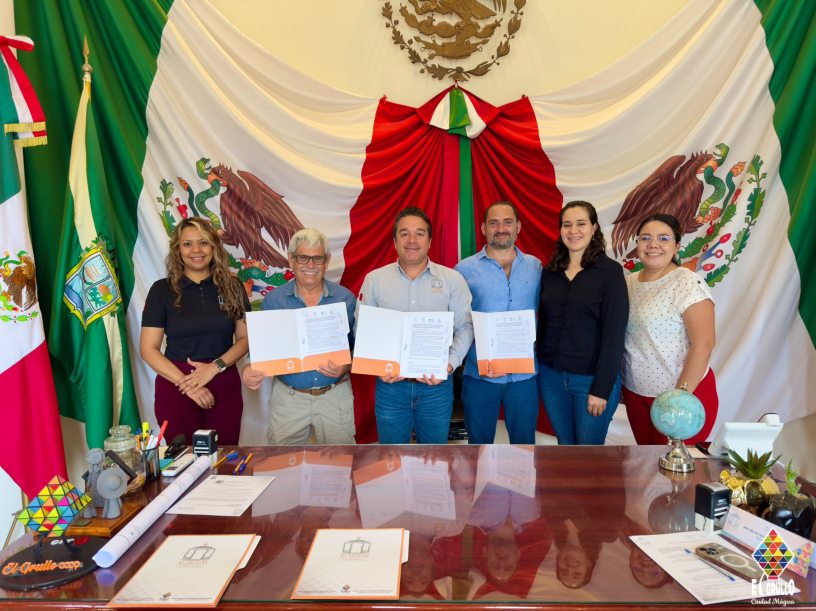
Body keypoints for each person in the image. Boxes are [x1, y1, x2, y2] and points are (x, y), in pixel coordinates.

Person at [357, 207, 473, 444]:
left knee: (434, 459)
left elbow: (465, 327)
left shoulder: (452, 280)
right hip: (391, 388)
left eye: (420, 233)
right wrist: (377, 366)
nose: (412, 240)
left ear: (429, 241)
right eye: (404, 233)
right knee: (391, 458)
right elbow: (363, 328)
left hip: (436, 388)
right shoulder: (375, 280)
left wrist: (449, 365)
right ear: (394, 241)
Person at [242, 228, 357, 445]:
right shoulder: (274, 301)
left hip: (335, 397)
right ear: (291, 260)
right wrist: (248, 368)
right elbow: (259, 349)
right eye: (303, 258)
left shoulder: (345, 299)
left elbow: (358, 348)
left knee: (340, 462)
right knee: (282, 462)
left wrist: (345, 365)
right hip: (289, 399)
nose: (310, 265)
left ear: (327, 261)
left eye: (317, 258)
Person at [140, 217, 249, 445]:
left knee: (224, 457)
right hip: (176, 383)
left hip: (223, 379)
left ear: (214, 247)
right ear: (177, 249)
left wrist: (214, 368)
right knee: (182, 460)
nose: (196, 250)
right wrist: (187, 384)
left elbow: (245, 338)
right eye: (187, 244)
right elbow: (148, 349)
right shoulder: (161, 290)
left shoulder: (234, 287)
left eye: (203, 242)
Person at [537, 201, 628, 445]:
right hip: (551, 377)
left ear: (594, 228)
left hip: (591, 380)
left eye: (581, 224)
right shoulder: (550, 272)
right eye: (567, 225)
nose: (573, 230)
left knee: (589, 453)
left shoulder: (610, 272)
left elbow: (614, 335)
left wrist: (601, 388)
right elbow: (543, 325)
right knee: (566, 448)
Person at [622, 213, 717, 445]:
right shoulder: (628, 282)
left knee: (678, 465)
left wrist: (679, 397)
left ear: (676, 247)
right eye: (646, 238)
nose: (653, 244)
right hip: (636, 395)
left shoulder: (687, 282)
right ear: (637, 244)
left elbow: (704, 344)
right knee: (649, 463)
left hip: (682, 397)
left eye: (663, 238)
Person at [455, 201, 542, 444]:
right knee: (479, 448)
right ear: (484, 228)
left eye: (507, 222)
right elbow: (459, 323)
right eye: (493, 223)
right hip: (480, 377)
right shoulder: (463, 270)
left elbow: (543, 315)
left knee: (524, 447)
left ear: (518, 227)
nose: (501, 229)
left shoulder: (535, 267)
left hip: (524, 378)